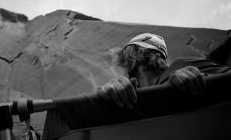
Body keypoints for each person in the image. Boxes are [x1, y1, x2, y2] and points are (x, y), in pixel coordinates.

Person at [97, 33, 231, 109]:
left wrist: (205, 78)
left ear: (134, 54)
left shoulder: (182, 65)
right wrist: (110, 99)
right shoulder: (132, 96)